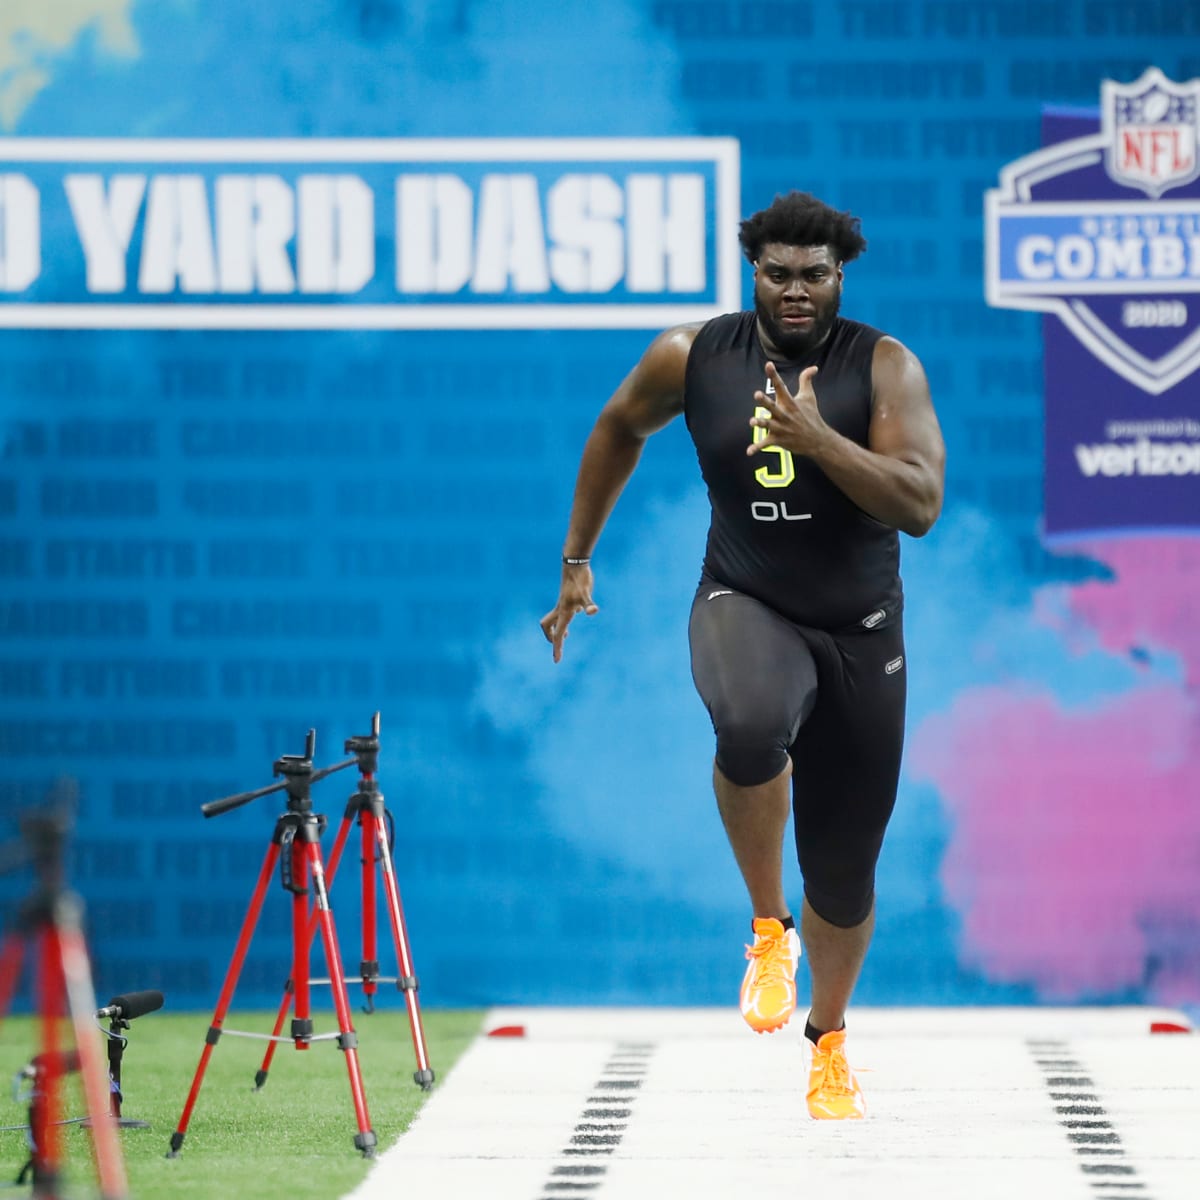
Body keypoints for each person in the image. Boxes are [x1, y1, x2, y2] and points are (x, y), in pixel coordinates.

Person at [540, 191, 945, 1120]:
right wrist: (575, 560)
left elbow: (919, 504)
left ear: (840, 276)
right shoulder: (693, 356)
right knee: (750, 718)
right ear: (751, 273)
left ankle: (830, 1039)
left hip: (860, 633)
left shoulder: (884, 367)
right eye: (777, 274)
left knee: (844, 873)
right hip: (747, 597)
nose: (795, 291)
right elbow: (615, 428)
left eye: (814, 275)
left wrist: (820, 441)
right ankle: (769, 929)